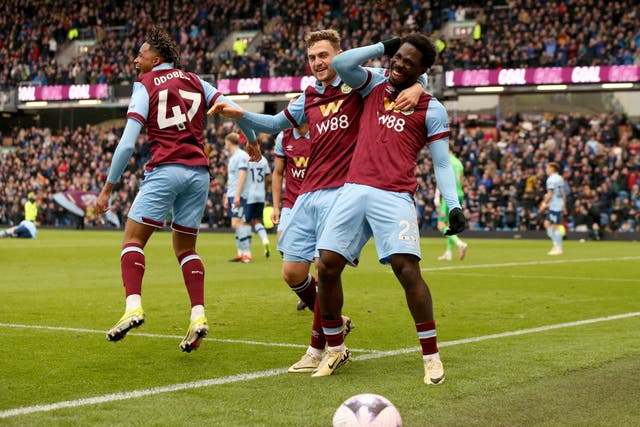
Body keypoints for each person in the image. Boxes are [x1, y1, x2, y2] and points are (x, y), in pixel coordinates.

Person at [209, 29, 427, 373]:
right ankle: (336, 322)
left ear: (339, 54)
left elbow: (410, 72)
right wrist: (240, 115)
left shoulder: (361, 85)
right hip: (307, 193)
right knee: (292, 273)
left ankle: (318, 348)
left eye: (324, 55)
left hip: (343, 192)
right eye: (312, 57)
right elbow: (274, 123)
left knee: (323, 272)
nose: (317, 63)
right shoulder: (307, 96)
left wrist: (418, 87)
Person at [313, 33, 465, 384]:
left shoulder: (432, 108)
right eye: (397, 58)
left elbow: (442, 165)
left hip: (394, 195)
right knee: (327, 264)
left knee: (406, 269)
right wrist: (386, 46)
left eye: (408, 63)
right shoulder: (373, 84)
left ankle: (431, 357)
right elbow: (340, 64)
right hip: (354, 188)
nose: (398, 65)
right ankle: (335, 349)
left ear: (423, 70)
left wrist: (453, 206)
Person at [95, 27, 258, 352]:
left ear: (155, 59)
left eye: (139, 54)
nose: (134, 59)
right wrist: (251, 140)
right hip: (198, 174)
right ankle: (198, 315)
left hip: (165, 169)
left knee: (133, 239)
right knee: (186, 248)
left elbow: (128, 143)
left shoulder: (144, 85)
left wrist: (108, 188)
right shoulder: (198, 81)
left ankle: (133, 307)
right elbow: (235, 109)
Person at [271, 113, 312, 310]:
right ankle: (306, 290)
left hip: (315, 200)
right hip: (291, 202)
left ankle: (310, 292)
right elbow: (278, 173)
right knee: (283, 246)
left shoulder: (319, 132)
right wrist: (276, 206)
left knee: (321, 257)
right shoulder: (283, 136)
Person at [224, 132, 253, 263]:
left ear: (229, 142)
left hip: (239, 194)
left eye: (226, 141)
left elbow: (242, 175)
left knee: (238, 222)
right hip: (232, 193)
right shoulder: (234, 157)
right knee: (235, 223)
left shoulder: (241, 156)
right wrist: (227, 196)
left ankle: (246, 253)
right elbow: (232, 178)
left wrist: (237, 195)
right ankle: (241, 252)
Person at [435, 148, 468, 261]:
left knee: (440, 224)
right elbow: (462, 181)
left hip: (449, 195)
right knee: (451, 225)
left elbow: (442, 180)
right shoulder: (459, 163)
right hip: (459, 194)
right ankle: (448, 253)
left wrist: (438, 197)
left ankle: (459, 244)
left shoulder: (446, 161)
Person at [245, 153, 272, 258]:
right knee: (257, 220)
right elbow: (268, 178)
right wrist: (263, 188)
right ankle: (265, 240)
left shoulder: (247, 159)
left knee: (246, 222)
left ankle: (246, 251)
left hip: (249, 194)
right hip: (261, 194)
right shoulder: (264, 160)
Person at [539, 162, 566, 255]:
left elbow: (550, 194)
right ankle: (555, 245)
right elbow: (563, 193)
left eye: (547, 168)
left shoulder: (551, 179)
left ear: (552, 169)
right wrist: (564, 205)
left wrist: (544, 204)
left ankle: (558, 248)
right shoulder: (560, 178)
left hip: (555, 206)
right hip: (558, 204)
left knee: (555, 226)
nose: (546, 170)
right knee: (546, 224)